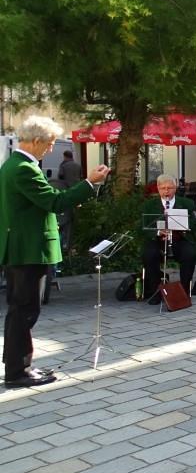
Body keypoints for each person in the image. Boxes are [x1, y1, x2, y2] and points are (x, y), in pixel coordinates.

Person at [1, 116, 109, 388]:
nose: (51, 149)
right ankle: (17, 371)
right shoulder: (23, 168)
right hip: (28, 250)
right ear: (36, 141)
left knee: (20, 310)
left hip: (22, 248)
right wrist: (89, 183)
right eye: (49, 143)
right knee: (25, 311)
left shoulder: (14, 165)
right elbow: (55, 202)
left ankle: (19, 365)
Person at [140, 175, 196, 303]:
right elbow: (141, 226)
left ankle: (184, 291)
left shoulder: (187, 203)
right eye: (163, 188)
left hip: (180, 239)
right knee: (149, 255)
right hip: (157, 240)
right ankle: (156, 291)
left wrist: (182, 224)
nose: (166, 191)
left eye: (170, 188)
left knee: (189, 255)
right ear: (158, 188)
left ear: (176, 188)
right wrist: (157, 232)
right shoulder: (149, 205)